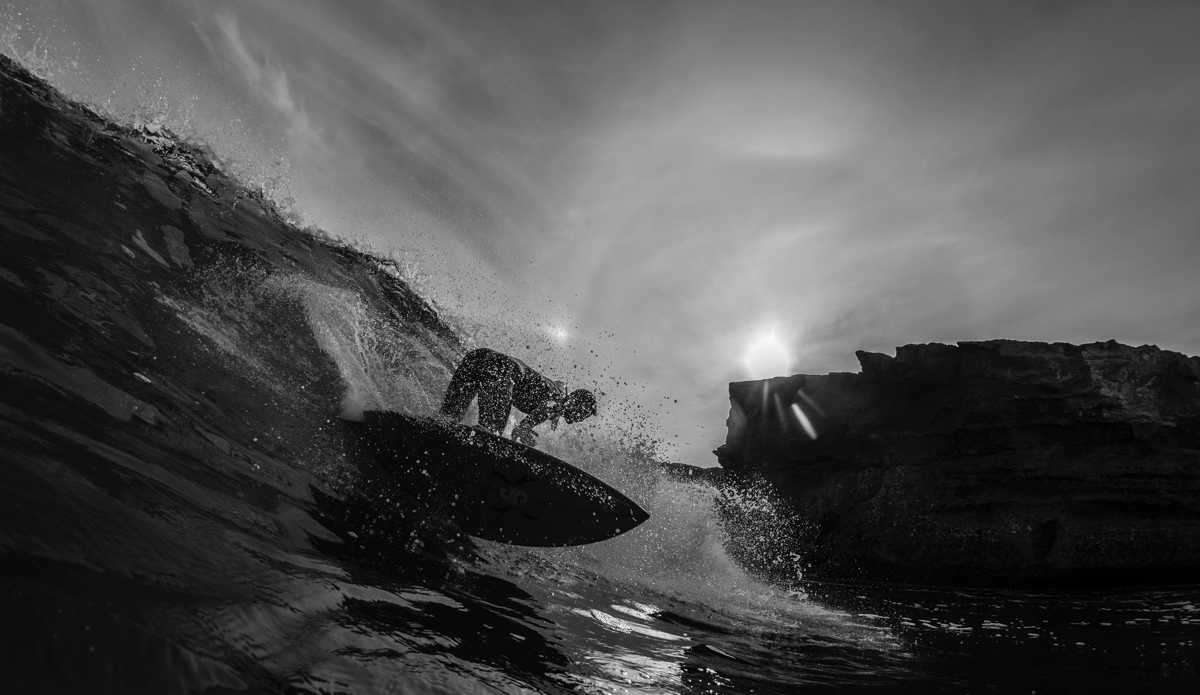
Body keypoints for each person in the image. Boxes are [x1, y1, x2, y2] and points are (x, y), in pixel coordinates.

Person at [437, 348, 597, 447]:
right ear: (576, 403)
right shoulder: (559, 398)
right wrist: (525, 425)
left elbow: (559, 389)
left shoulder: (557, 392)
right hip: (501, 370)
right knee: (489, 436)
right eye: (583, 413)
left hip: (478, 357)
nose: (581, 419)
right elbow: (550, 404)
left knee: (446, 421)